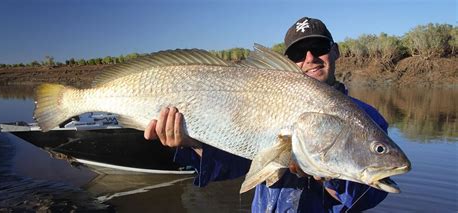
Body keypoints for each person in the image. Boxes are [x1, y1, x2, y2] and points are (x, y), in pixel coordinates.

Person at [144, 17, 389, 212]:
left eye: (319, 48)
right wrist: (191, 143)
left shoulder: (365, 117)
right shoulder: (263, 100)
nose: (310, 58)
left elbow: (367, 197)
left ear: (335, 51)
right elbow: (235, 164)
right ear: (288, 61)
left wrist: (323, 174)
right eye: (298, 53)